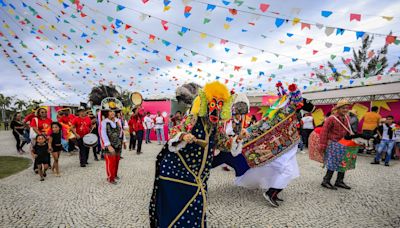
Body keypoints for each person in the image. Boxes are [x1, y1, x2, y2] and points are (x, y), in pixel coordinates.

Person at [149, 81, 243, 227]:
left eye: (219, 105)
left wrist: (238, 139)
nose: (216, 109)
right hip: (179, 170)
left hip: (200, 174)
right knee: (180, 205)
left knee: (197, 204)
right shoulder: (193, 118)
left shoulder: (216, 125)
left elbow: (223, 143)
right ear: (206, 103)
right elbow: (173, 132)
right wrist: (183, 136)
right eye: (213, 104)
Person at [320, 99, 354, 190]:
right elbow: (324, 131)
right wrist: (323, 145)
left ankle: (339, 181)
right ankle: (326, 181)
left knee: (344, 162)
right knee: (332, 162)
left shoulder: (347, 117)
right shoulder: (331, 118)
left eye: (347, 108)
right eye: (343, 108)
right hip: (333, 144)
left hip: (343, 143)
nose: (345, 110)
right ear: (338, 109)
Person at [100, 98, 126, 184]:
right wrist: (108, 145)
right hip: (110, 146)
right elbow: (103, 134)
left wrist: (124, 141)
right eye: (110, 111)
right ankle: (110, 178)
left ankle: (114, 175)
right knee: (110, 162)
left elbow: (121, 132)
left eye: (113, 111)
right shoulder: (104, 122)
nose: (112, 113)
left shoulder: (118, 121)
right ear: (107, 113)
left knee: (117, 161)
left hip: (118, 144)